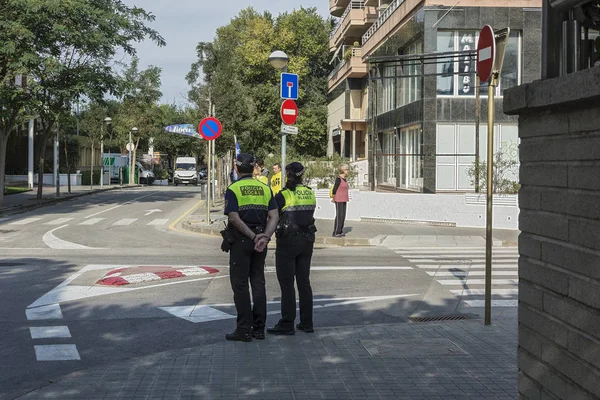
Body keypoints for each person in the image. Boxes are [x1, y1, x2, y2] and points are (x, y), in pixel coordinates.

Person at [222, 153, 279, 342]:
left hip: (242, 241)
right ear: (255, 168)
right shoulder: (264, 188)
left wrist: (253, 237)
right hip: (260, 242)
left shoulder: (233, 189)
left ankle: (244, 329)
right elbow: (274, 216)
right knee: (258, 283)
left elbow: (234, 217)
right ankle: (259, 329)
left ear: (236, 169)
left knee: (240, 285)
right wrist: (265, 237)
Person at [267, 162, 317, 335]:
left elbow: (271, 214)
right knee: (304, 282)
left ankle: (287, 323)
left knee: (287, 284)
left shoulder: (284, 195)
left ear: (287, 175)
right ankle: (307, 323)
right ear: (303, 174)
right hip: (307, 241)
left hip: (288, 243)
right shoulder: (310, 193)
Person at [331, 164, 349, 237]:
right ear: (343, 170)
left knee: (343, 215)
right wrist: (333, 197)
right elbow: (334, 189)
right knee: (339, 215)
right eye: (346, 169)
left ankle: (340, 230)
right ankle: (336, 232)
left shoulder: (345, 179)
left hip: (344, 199)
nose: (348, 171)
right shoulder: (338, 179)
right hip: (339, 199)